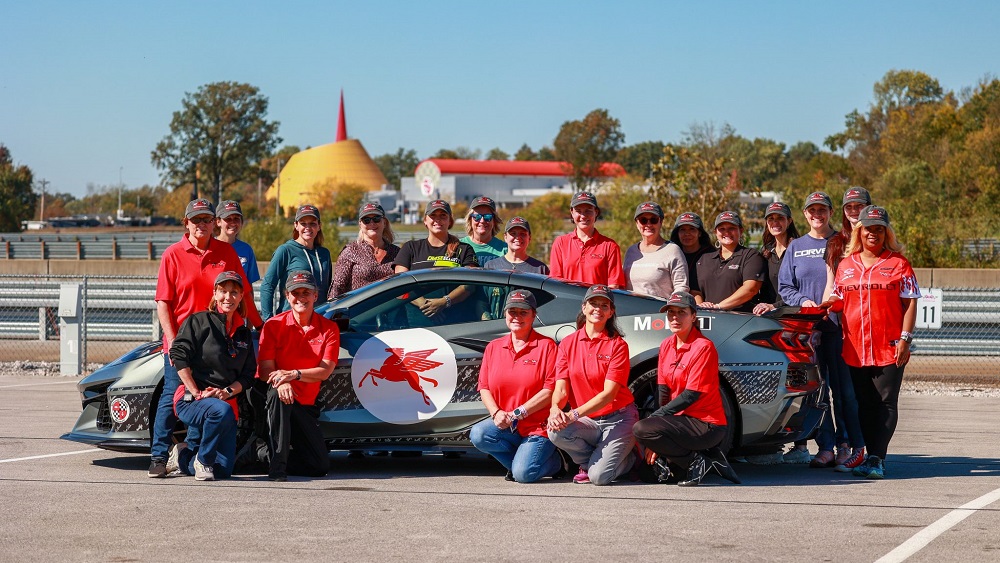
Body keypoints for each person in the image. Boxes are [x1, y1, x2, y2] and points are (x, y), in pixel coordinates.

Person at [149, 198, 262, 478]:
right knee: (172, 398)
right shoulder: (172, 254)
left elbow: (243, 293)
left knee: (207, 401)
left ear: (215, 223)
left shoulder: (226, 252)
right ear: (186, 223)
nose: (202, 225)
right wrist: (172, 340)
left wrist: (261, 325)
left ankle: (195, 455)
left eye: (207, 220)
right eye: (196, 220)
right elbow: (163, 302)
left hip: (217, 344)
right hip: (184, 342)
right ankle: (159, 456)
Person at [827, 205, 919, 480]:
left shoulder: (898, 263)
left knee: (886, 402)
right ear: (860, 231)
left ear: (886, 233)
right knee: (864, 404)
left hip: (890, 346)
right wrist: (820, 306)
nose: (874, 233)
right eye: (869, 228)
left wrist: (905, 338)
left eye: (879, 229)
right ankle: (869, 455)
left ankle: (878, 457)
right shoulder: (845, 265)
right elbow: (838, 300)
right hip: (855, 347)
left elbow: (911, 302)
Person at [778, 192, 866, 471]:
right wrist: (802, 301)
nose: (817, 215)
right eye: (812, 210)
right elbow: (785, 287)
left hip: (838, 328)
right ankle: (825, 446)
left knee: (843, 392)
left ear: (830, 213)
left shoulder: (842, 242)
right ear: (805, 214)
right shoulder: (796, 247)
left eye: (822, 210)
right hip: (806, 330)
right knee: (817, 391)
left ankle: (845, 445)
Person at [632, 291, 739, 486]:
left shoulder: (703, 347)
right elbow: (663, 391)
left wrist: (654, 423)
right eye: (671, 312)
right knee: (648, 474)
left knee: (642, 428)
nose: (675, 317)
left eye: (681, 312)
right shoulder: (666, 345)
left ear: (693, 316)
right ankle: (709, 460)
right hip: (680, 422)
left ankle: (696, 462)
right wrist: (655, 437)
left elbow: (692, 394)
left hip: (706, 425)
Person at [168, 271, 257, 481]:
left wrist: (226, 392)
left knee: (224, 471)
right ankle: (203, 460)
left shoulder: (244, 333)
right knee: (219, 412)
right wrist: (196, 392)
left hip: (224, 404)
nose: (228, 297)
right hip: (191, 400)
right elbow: (178, 356)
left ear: (241, 296)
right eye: (223, 291)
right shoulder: (198, 321)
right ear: (215, 294)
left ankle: (184, 456)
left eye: (234, 292)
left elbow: (248, 375)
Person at [547, 285, 638, 486]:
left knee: (599, 478)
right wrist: (555, 409)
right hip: (588, 420)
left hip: (618, 418)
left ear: (611, 311)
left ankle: (629, 458)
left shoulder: (618, 345)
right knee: (555, 430)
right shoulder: (568, 343)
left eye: (604, 305)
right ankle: (592, 461)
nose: (598, 308)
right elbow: (561, 387)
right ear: (584, 307)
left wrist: (572, 415)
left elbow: (608, 395)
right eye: (593, 303)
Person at [469, 289, 563, 483]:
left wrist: (516, 414)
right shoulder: (493, 347)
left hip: (538, 426)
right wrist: (496, 413)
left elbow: (550, 390)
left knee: (523, 475)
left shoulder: (547, 346)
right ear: (505, 314)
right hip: (506, 425)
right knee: (478, 434)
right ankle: (524, 459)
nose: (517, 317)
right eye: (512, 311)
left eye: (523, 312)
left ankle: (556, 463)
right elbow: (484, 387)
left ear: (534, 315)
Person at [257, 271, 338, 481]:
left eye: (306, 292)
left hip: (305, 405)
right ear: (287, 296)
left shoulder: (329, 329)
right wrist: (280, 381)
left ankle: (258, 455)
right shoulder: (274, 325)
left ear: (315, 295)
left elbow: (325, 370)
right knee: (279, 395)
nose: (301, 297)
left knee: (319, 466)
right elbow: (265, 371)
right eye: (295, 293)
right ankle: (277, 468)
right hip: (278, 399)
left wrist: (293, 375)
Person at [394, 199, 477, 324]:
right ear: (425, 221)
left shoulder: (464, 249)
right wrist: (424, 304)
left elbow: (470, 285)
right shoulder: (410, 248)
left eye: (443, 216)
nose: (438, 220)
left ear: (450, 221)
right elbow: (398, 284)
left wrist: (444, 302)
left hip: (454, 324)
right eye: (433, 215)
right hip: (415, 326)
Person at [259, 204, 332, 321]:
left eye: (312, 223)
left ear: (319, 226)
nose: (308, 227)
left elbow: (327, 289)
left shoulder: (324, 253)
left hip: (318, 319)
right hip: (290, 319)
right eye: (303, 223)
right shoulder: (285, 250)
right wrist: (267, 320)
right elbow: (267, 285)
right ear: (296, 226)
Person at [692, 211, 765, 313]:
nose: (726, 232)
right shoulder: (703, 259)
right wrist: (701, 306)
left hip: (741, 321)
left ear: (741, 231)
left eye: (732, 228)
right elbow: (695, 291)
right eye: (722, 229)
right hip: (708, 318)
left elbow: (751, 289)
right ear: (715, 232)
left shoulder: (751, 256)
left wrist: (718, 307)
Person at [549, 192, 625, 288]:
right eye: (578, 211)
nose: (583, 215)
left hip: (597, 302)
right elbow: (555, 284)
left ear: (596, 212)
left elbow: (613, 286)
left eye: (588, 210)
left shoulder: (610, 246)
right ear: (572, 212)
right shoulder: (560, 243)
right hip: (568, 302)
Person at [329, 202, 400, 300]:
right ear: (360, 225)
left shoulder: (397, 252)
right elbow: (337, 288)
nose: (372, 223)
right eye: (366, 220)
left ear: (384, 222)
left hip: (391, 311)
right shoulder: (351, 251)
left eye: (376, 219)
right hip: (360, 313)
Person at [482, 217, 549, 320]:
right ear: (505, 237)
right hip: (494, 328)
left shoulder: (540, 269)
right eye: (513, 233)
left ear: (529, 238)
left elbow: (545, 305)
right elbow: (482, 300)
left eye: (523, 234)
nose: (518, 237)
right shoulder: (491, 266)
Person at [624, 201, 688, 298]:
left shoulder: (672, 250)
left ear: (660, 222)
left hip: (660, 311)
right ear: (637, 223)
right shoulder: (631, 251)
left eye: (653, 220)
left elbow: (681, 287)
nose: (648, 224)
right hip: (632, 311)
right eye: (643, 220)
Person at [753, 202, 799, 315]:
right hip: (768, 316)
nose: (775, 222)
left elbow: (803, 289)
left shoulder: (799, 250)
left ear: (789, 221)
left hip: (793, 314)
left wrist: (774, 306)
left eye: (780, 218)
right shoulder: (765, 253)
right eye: (771, 218)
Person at [215, 200, 260, 286]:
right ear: (218, 222)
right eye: (228, 218)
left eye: (236, 219)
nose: (233, 222)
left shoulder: (246, 250)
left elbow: (248, 284)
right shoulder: (209, 247)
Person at [669, 212, 713, 298]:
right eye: (682, 230)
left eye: (692, 229)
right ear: (677, 233)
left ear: (699, 233)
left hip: (708, 307)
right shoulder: (670, 254)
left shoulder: (712, 256)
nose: (687, 233)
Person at [460, 195, 507, 266]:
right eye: (477, 217)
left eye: (487, 217)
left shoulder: (505, 249)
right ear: (470, 220)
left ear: (494, 221)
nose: (482, 221)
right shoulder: (458, 246)